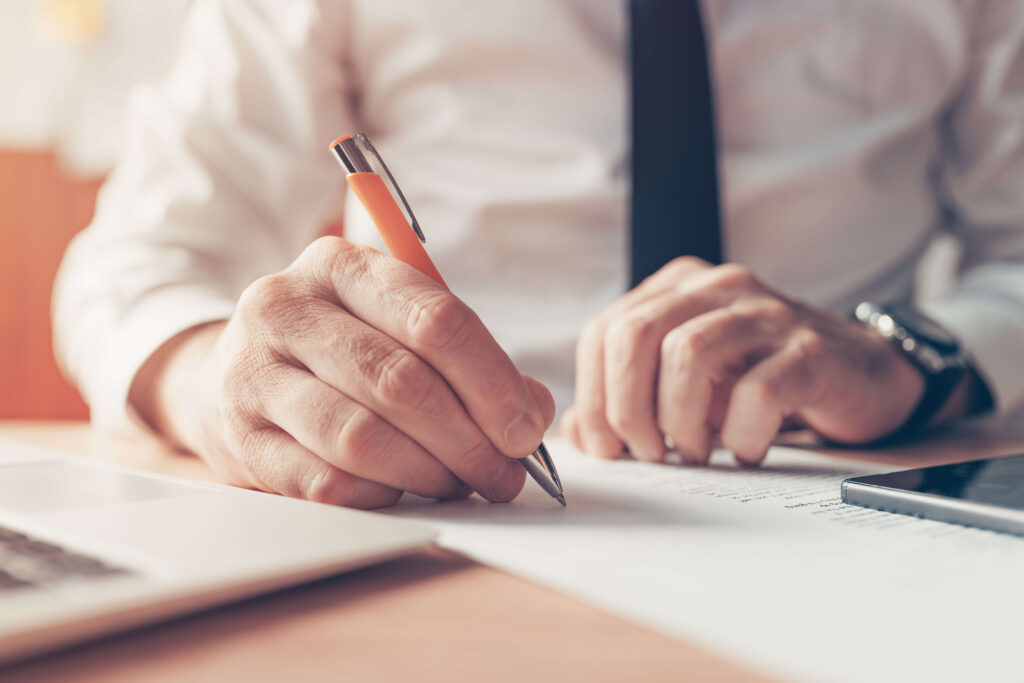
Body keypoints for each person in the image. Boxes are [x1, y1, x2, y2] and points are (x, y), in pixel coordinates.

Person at [53, 1, 1024, 509]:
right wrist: (215, 386)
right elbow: (132, 265)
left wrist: (914, 355)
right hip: (444, 498)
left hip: (858, 482)